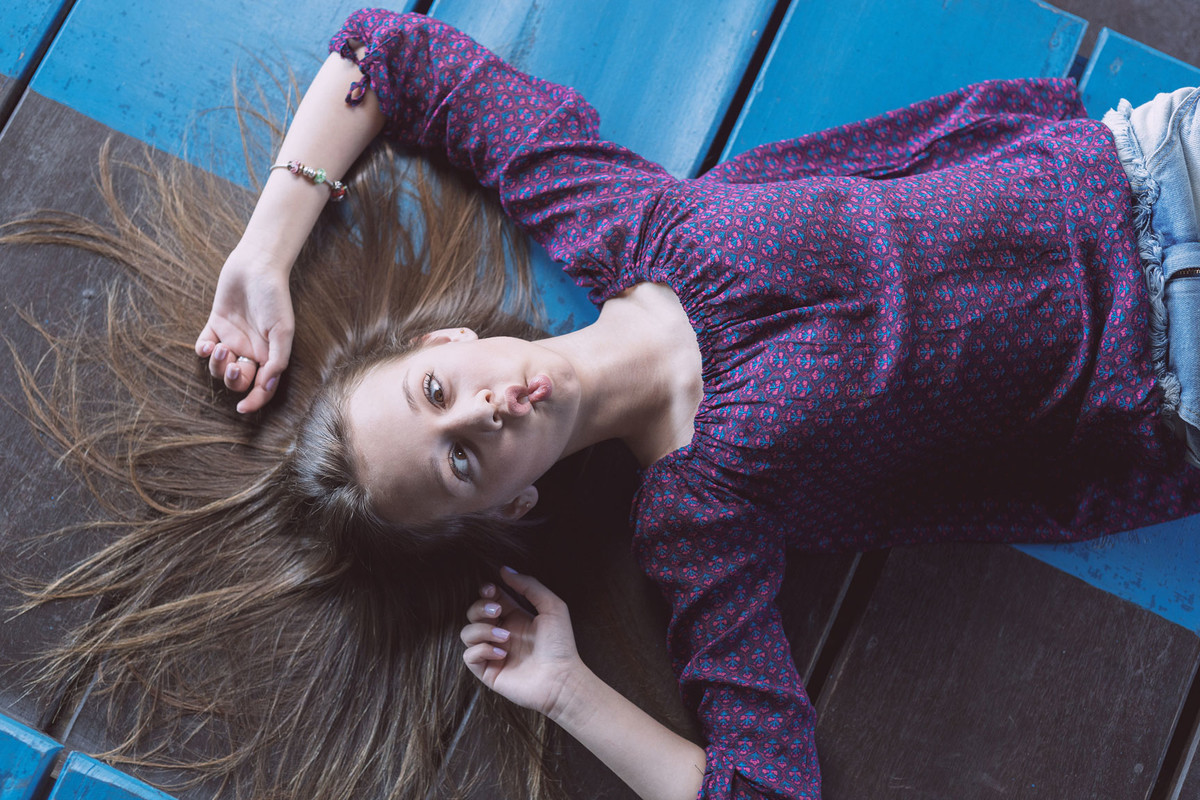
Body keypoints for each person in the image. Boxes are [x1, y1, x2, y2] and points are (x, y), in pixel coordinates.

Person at [11, 7, 1200, 800]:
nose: (477, 412)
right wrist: (570, 689)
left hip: (1155, 161)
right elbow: (765, 787)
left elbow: (389, 57)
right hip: (1177, 373)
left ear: (449, 339)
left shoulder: (620, 220)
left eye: (435, 390)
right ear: (518, 494)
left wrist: (267, 252)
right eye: (463, 460)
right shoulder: (703, 524)